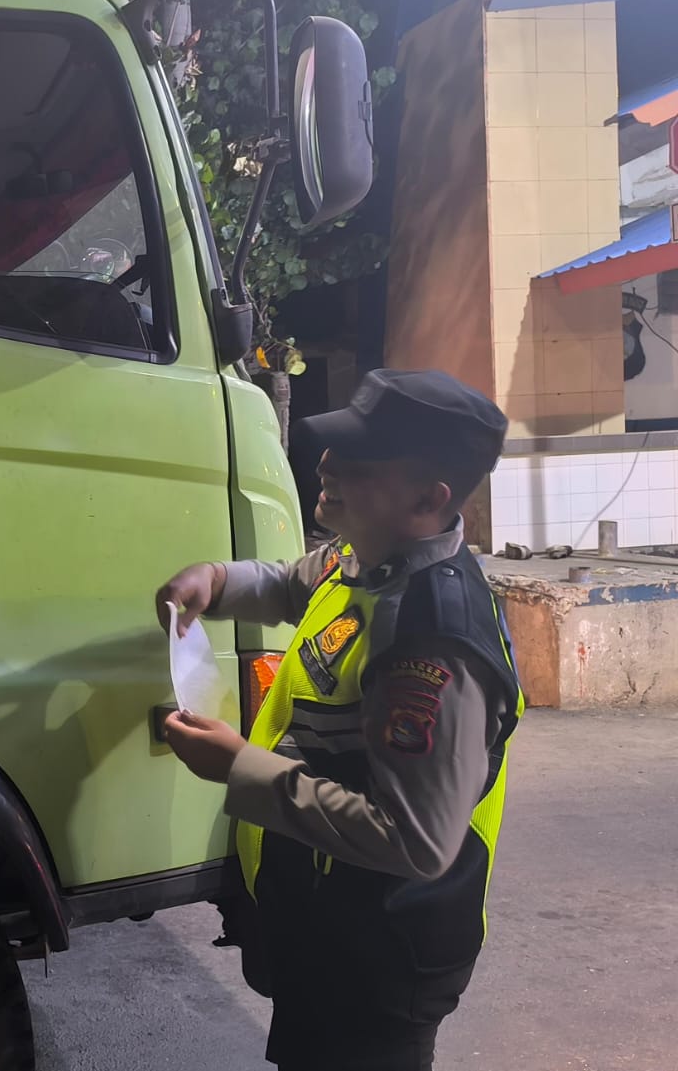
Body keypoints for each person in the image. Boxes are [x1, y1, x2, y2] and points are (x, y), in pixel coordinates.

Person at [153, 369, 524, 1071]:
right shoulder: (370, 558)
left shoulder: (431, 642)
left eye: (359, 460)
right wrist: (216, 580)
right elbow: (294, 581)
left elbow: (414, 840)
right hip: (328, 927)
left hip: (380, 957)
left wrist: (239, 767)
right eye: (334, 447)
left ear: (428, 498)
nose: (326, 466)